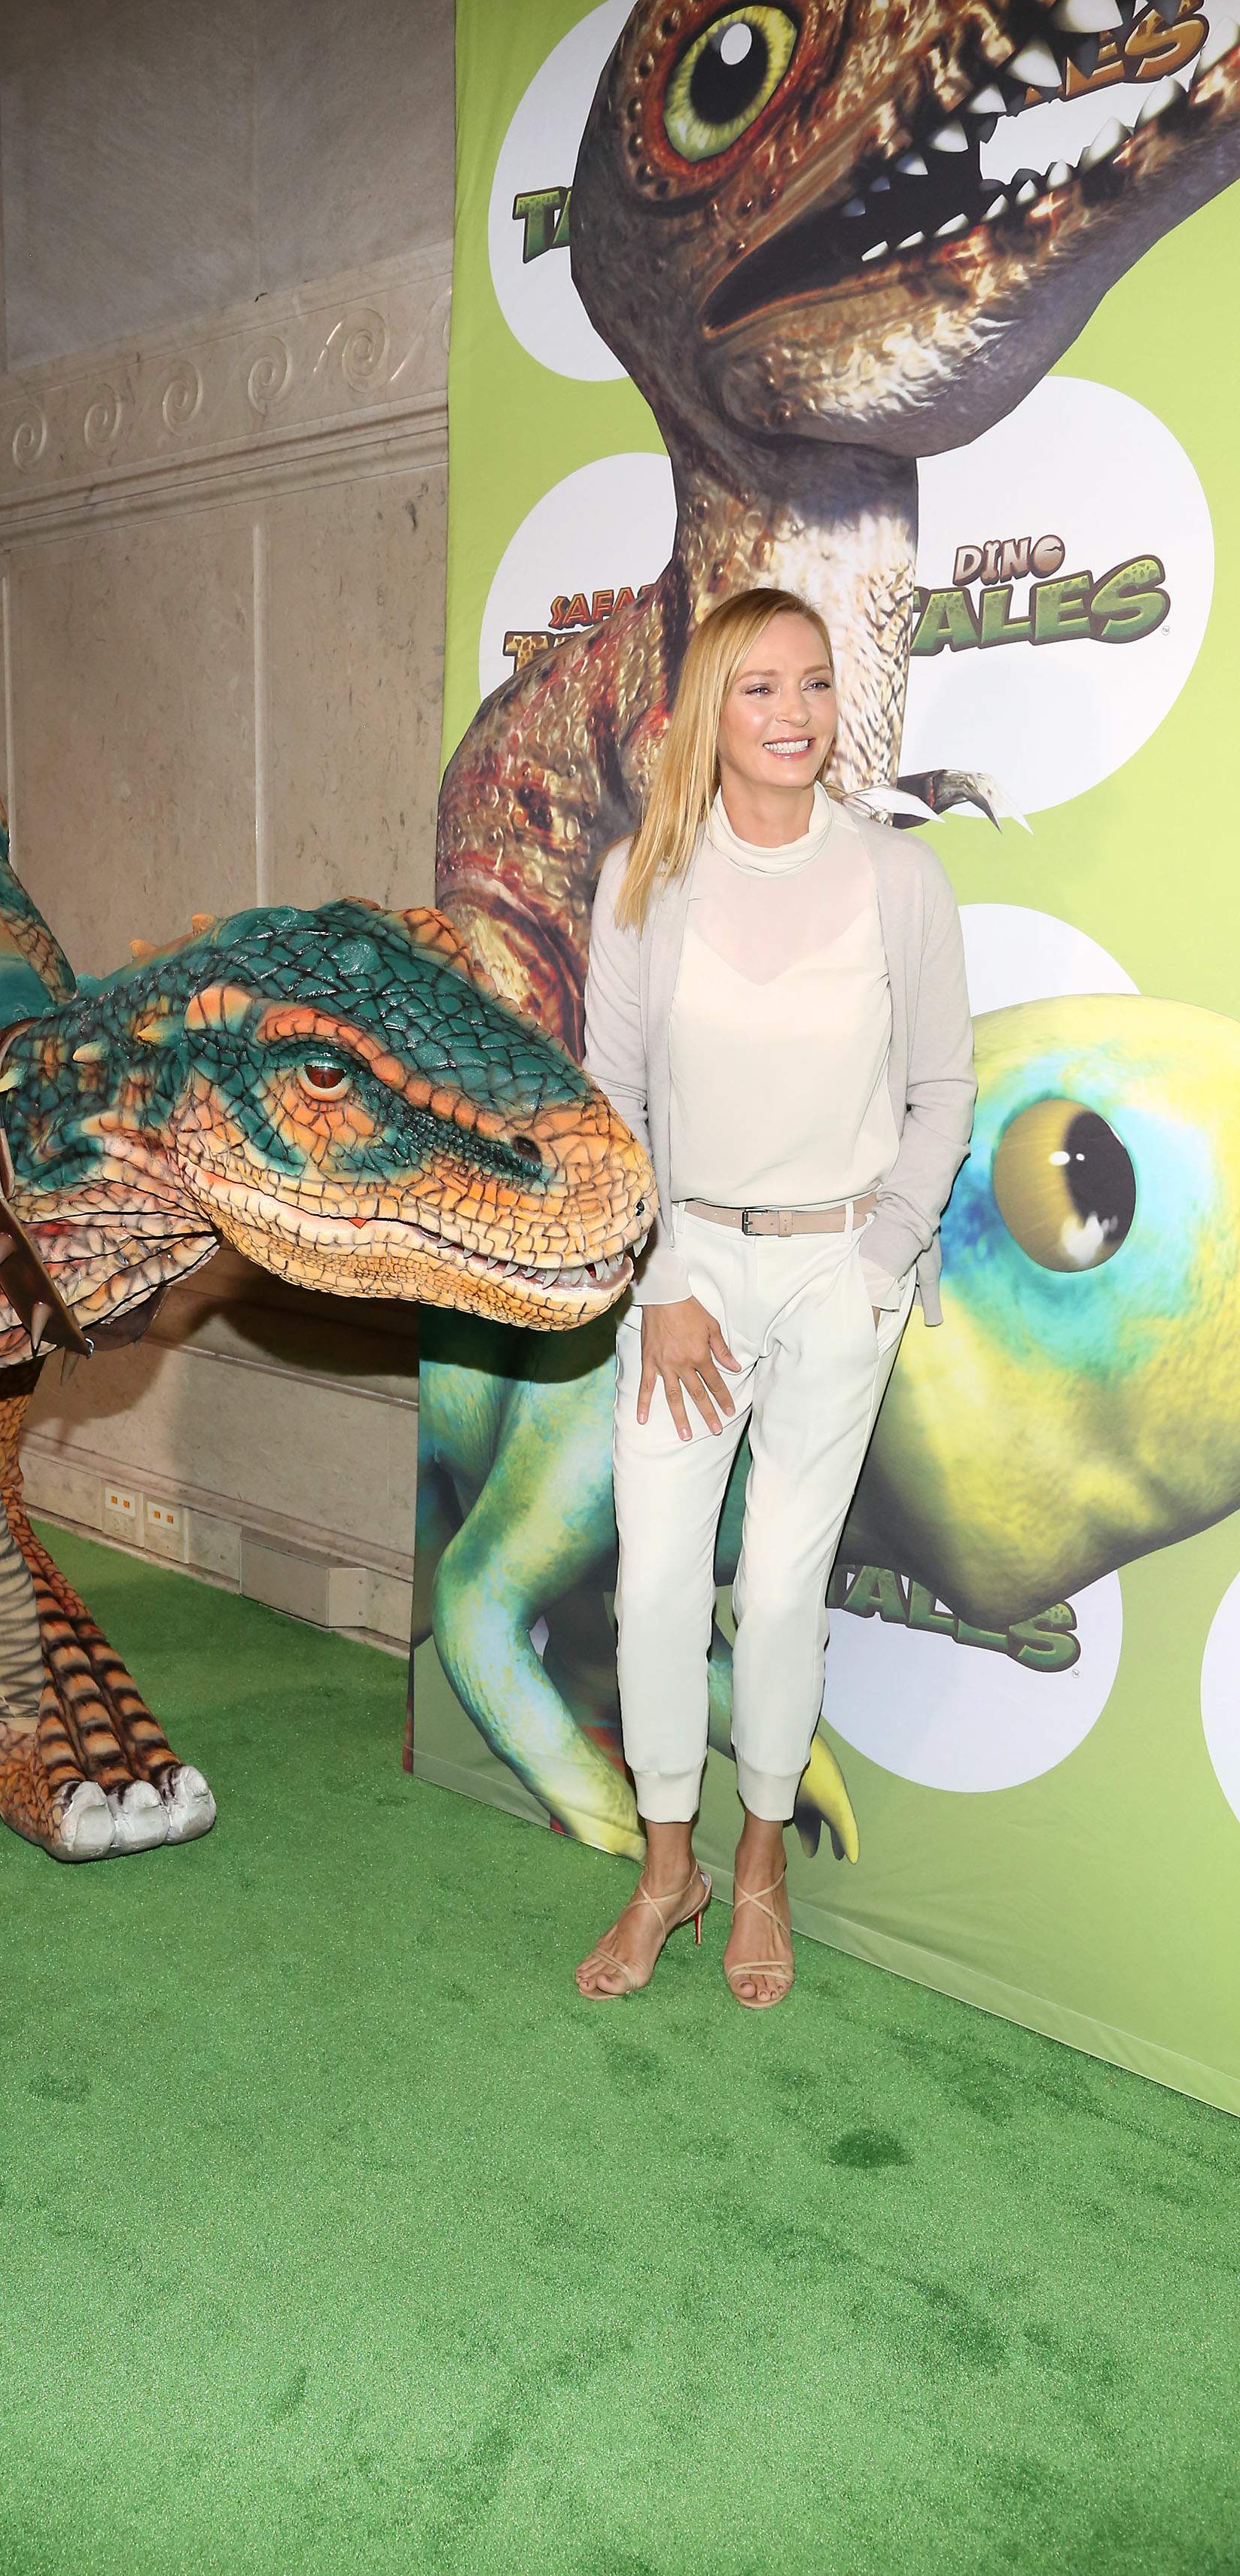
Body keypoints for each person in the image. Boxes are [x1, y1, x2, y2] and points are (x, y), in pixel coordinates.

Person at [572, 589, 974, 2009]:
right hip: (687, 1273)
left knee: (787, 1586)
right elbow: (611, 1100)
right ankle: (663, 1868)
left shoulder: (898, 881)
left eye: (813, 684)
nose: (793, 713)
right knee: (659, 1582)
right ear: (708, 713)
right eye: (759, 687)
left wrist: (880, 1261)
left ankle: (757, 1865)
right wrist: (664, 1277)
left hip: (837, 1275)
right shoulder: (644, 882)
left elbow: (943, 1091)